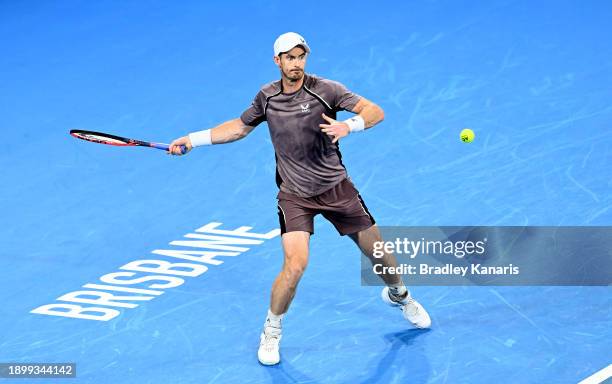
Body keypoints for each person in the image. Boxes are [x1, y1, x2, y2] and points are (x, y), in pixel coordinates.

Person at [169, 32, 431, 366]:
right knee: (295, 266)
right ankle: (271, 330)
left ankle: (400, 295)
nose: (296, 63)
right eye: (289, 58)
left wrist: (349, 126)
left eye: (301, 56)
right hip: (294, 197)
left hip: (337, 189)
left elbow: (374, 111)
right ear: (277, 61)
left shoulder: (326, 90)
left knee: (381, 255)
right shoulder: (266, 97)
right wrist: (193, 139)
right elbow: (238, 128)